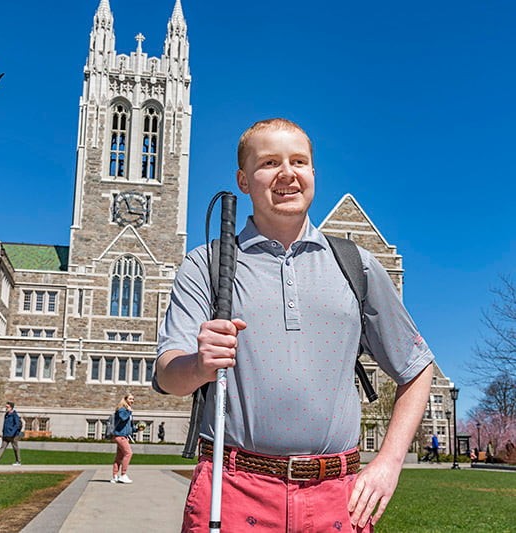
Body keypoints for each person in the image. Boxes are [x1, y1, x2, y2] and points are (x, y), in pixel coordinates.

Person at [154, 118, 434, 531]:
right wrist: (199, 364)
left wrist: (389, 463)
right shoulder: (207, 264)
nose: (287, 173)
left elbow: (417, 366)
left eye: (298, 161)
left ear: (313, 174)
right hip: (234, 492)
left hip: (338, 498)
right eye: (269, 163)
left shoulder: (356, 265)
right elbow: (168, 374)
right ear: (244, 180)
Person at [0, 401, 23, 466]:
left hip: (13, 435)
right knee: (2, 447)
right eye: (6, 407)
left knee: (15, 448)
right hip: (6, 434)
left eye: (7, 407)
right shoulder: (6, 415)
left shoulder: (15, 415)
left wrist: (12, 432)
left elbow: (17, 425)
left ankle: (18, 461)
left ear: (11, 408)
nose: (6, 408)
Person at [111, 393, 135, 484]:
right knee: (129, 453)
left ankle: (114, 476)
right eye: (130, 399)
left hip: (124, 436)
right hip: (120, 436)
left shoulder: (128, 411)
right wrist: (129, 411)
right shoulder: (121, 409)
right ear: (125, 399)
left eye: (133, 399)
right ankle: (123, 475)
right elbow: (122, 418)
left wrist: (137, 429)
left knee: (119, 457)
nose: (132, 401)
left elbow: (129, 426)